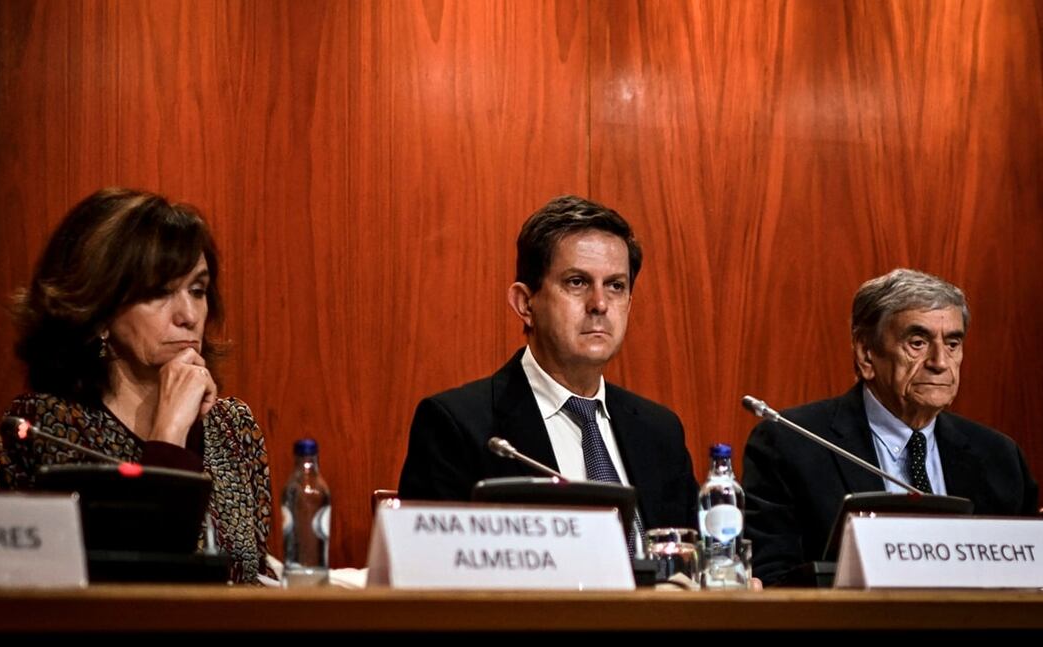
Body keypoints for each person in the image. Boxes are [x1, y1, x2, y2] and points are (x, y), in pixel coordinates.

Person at [0, 188, 272, 583]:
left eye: (197, 290)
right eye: (159, 293)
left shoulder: (234, 427)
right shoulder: (49, 426)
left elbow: (254, 582)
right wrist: (169, 434)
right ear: (100, 313)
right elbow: (127, 593)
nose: (189, 315)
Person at [398, 195, 698, 547]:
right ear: (526, 303)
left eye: (616, 286)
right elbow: (434, 575)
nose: (600, 304)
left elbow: (691, 562)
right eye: (577, 282)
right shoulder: (458, 427)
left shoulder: (659, 431)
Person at [742, 268, 1039, 585]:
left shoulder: (999, 457)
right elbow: (771, 580)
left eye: (953, 343)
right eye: (917, 342)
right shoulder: (791, 443)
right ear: (866, 353)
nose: (940, 362)